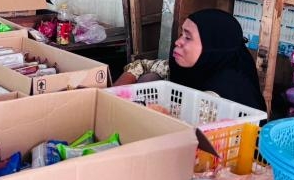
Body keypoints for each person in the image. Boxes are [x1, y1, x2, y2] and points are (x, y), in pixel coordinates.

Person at [114, 8, 267, 111]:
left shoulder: (222, 91)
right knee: (149, 78)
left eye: (188, 37)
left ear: (211, 48)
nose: (178, 41)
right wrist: (115, 92)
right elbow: (142, 65)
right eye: (182, 34)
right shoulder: (195, 66)